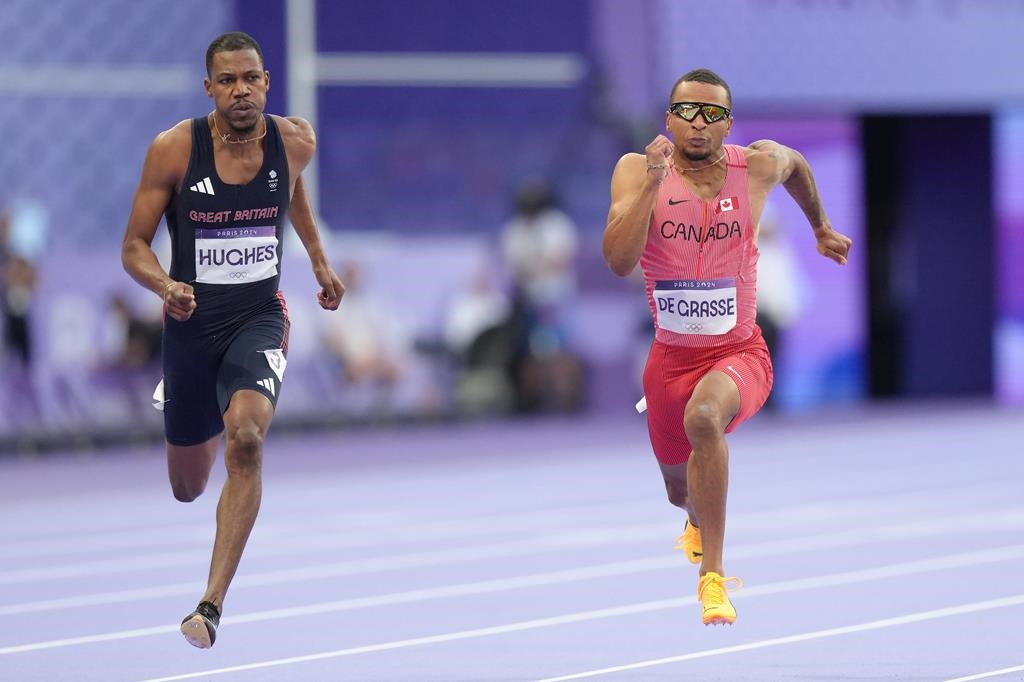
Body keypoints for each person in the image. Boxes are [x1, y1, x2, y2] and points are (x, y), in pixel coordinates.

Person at [603, 68, 851, 626]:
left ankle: (712, 578)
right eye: (687, 111)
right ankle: (696, 519)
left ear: (728, 124)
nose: (698, 123)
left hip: (739, 353)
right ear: (668, 117)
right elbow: (618, 261)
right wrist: (652, 182)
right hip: (668, 362)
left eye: (712, 114)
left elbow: (799, 167)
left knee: (705, 418)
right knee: (677, 490)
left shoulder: (757, 165)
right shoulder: (635, 171)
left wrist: (820, 227)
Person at [121, 32, 343, 649]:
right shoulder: (173, 149)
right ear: (209, 88)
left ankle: (210, 605)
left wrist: (320, 265)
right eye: (228, 80)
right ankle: (194, 395)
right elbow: (132, 246)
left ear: (267, 82)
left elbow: (291, 190)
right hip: (190, 324)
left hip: (258, 317)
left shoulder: (294, 140)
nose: (240, 90)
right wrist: (166, 285)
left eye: (251, 78)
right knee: (187, 487)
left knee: (246, 440)